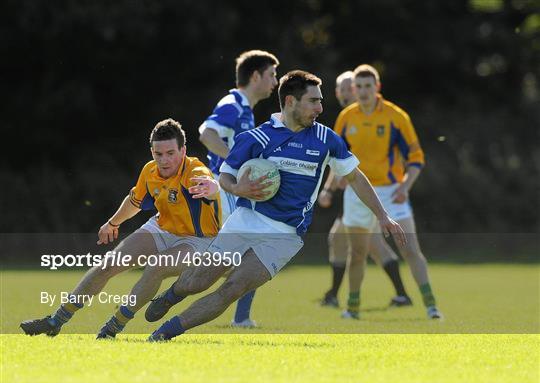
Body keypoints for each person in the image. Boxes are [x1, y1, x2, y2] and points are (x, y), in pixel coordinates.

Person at [144, 70, 406, 341]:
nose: (320, 107)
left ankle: (165, 333)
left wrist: (383, 215)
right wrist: (237, 188)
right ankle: (173, 294)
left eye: (320, 101)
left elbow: (355, 177)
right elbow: (226, 175)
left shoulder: (327, 139)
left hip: (285, 236)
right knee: (197, 281)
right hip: (246, 220)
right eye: (313, 101)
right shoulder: (257, 138)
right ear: (291, 102)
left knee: (233, 288)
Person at [20, 118, 221, 338]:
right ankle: (56, 320)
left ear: (183, 151)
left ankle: (115, 325)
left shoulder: (194, 170)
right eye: (158, 153)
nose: (164, 160)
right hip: (162, 227)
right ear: (152, 152)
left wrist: (212, 187)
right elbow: (135, 201)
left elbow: (209, 186)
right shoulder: (150, 170)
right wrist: (113, 222)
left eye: (171, 153)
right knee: (108, 264)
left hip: (198, 239)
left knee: (156, 267)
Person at [330, 64, 442, 319]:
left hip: (392, 192)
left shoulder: (395, 116)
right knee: (357, 253)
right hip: (358, 192)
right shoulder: (347, 117)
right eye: (359, 87)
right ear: (353, 89)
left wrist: (404, 187)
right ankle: (353, 308)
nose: (364, 91)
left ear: (377, 87)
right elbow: (336, 154)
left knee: (410, 249)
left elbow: (416, 157)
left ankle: (431, 305)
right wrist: (336, 177)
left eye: (369, 86)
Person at [196, 50, 279, 327]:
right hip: (223, 190)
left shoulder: (245, 110)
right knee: (241, 254)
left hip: (230, 191)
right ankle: (239, 318)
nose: (275, 82)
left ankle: (241, 318)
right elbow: (206, 133)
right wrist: (236, 163)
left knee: (247, 253)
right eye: (271, 75)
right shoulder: (232, 103)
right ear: (255, 76)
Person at [318, 71, 411, 308]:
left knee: (368, 244)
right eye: (342, 87)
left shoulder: (363, 115)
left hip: (369, 192)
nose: (344, 91)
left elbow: (347, 162)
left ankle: (399, 295)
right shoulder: (348, 116)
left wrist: (331, 187)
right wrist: (332, 186)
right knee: (347, 240)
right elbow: (338, 161)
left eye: (347, 87)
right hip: (355, 193)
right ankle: (334, 294)